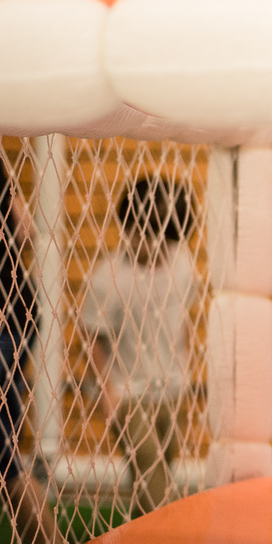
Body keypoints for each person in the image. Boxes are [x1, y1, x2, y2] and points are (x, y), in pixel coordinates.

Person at [81, 175, 196, 517]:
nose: (143, 242)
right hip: (129, 393)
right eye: (136, 233)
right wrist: (107, 393)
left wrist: (187, 371)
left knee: (161, 469)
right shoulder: (109, 277)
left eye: (155, 236)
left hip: (171, 387)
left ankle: (141, 538)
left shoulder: (182, 263)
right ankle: (165, 543)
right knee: (150, 471)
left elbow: (184, 319)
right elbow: (91, 337)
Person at [0, 157, 67, 544]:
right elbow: (25, 228)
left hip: (9, 319)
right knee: (7, 467)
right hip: (16, 314)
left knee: (7, 468)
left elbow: (24, 228)